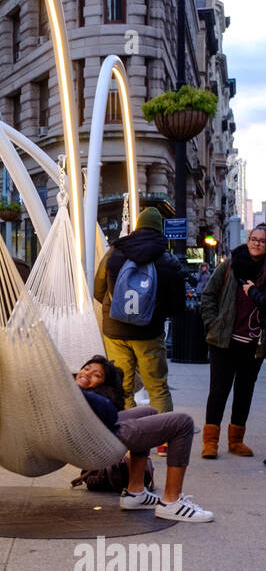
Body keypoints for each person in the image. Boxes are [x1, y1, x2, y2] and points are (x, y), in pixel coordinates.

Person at [75, 355, 214, 522]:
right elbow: (108, 413)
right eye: (87, 368)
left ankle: (136, 492)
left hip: (97, 428)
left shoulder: (81, 394)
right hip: (96, 438)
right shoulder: (70, 390)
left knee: (148, 412)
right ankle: (171, 502)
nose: (86, 374)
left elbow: (109, 412)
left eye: (96, 375)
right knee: (183, 422)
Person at [94, 207, 186, 412]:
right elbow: (178, 306)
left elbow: (98, 290)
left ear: (137, 227)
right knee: (158, 388)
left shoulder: (115, 251)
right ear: (158, 229)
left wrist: (115, 309)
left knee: (122, 389)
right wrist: (155, 313)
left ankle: (128, 441)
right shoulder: (167, 260)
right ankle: (162, 440)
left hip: (115, 331)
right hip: (149, 333)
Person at [199, 225, 266, 457]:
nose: (256, 243)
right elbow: (208, 294)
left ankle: (236, 441)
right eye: (253, 239)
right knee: (218, 391)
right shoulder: (230, 265)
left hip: (254, 344)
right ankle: (210, 442)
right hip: (224, 341)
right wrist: (212, 322)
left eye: (262, 241)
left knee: (244, 392)